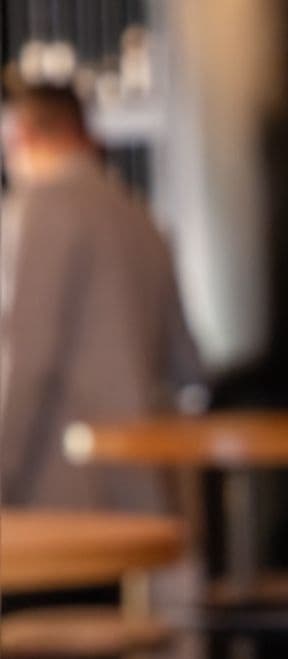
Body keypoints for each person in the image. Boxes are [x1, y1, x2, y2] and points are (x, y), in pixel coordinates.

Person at [0, 82, 204, 511]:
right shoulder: (142, 219)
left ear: (23, 136)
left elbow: (27, 361)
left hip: (56, 492)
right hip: (143, 489)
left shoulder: (40, 211)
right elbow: (186, 365)